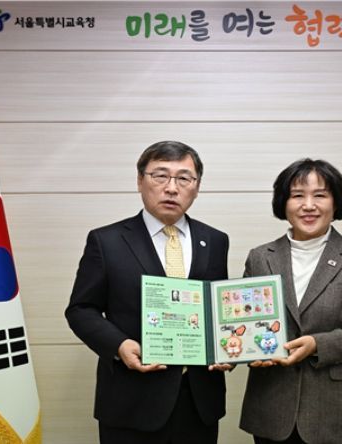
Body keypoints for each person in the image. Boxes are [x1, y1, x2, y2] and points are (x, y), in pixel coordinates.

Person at [65, 141, 231, 444]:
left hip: (199, 402)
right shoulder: (107, 240)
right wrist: (119, 346)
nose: (172, 188)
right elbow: (81, 309)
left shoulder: (215, 240)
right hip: (131, 401)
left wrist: (228, 348)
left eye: (184, 178)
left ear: (197, 187)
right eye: (160, 176)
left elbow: (217, 309)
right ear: (140, 180)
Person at [239, 159, 342, 444]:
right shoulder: (260, 257)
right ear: (283, 203)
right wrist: (239, 349)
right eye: (297, 195)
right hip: (273, 407)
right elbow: (246, 320)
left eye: (320, 195)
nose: (308, 205)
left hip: (337, 410)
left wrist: (317, 344)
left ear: (336, 203)